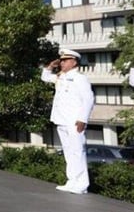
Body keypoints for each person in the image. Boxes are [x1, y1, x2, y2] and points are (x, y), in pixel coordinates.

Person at [41, 48, 94, 194]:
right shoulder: (61, 77)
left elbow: (89, 99)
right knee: (68, 152)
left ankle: (82, 184)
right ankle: (72, 181)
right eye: (61, 60)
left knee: (77, 152)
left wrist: (82, 119)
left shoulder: (79, 78)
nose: (62, 63)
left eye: (65, 60)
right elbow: (45, 77)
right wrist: (50, 67)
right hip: (61, 119)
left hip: (74, 121)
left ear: (74, 62)